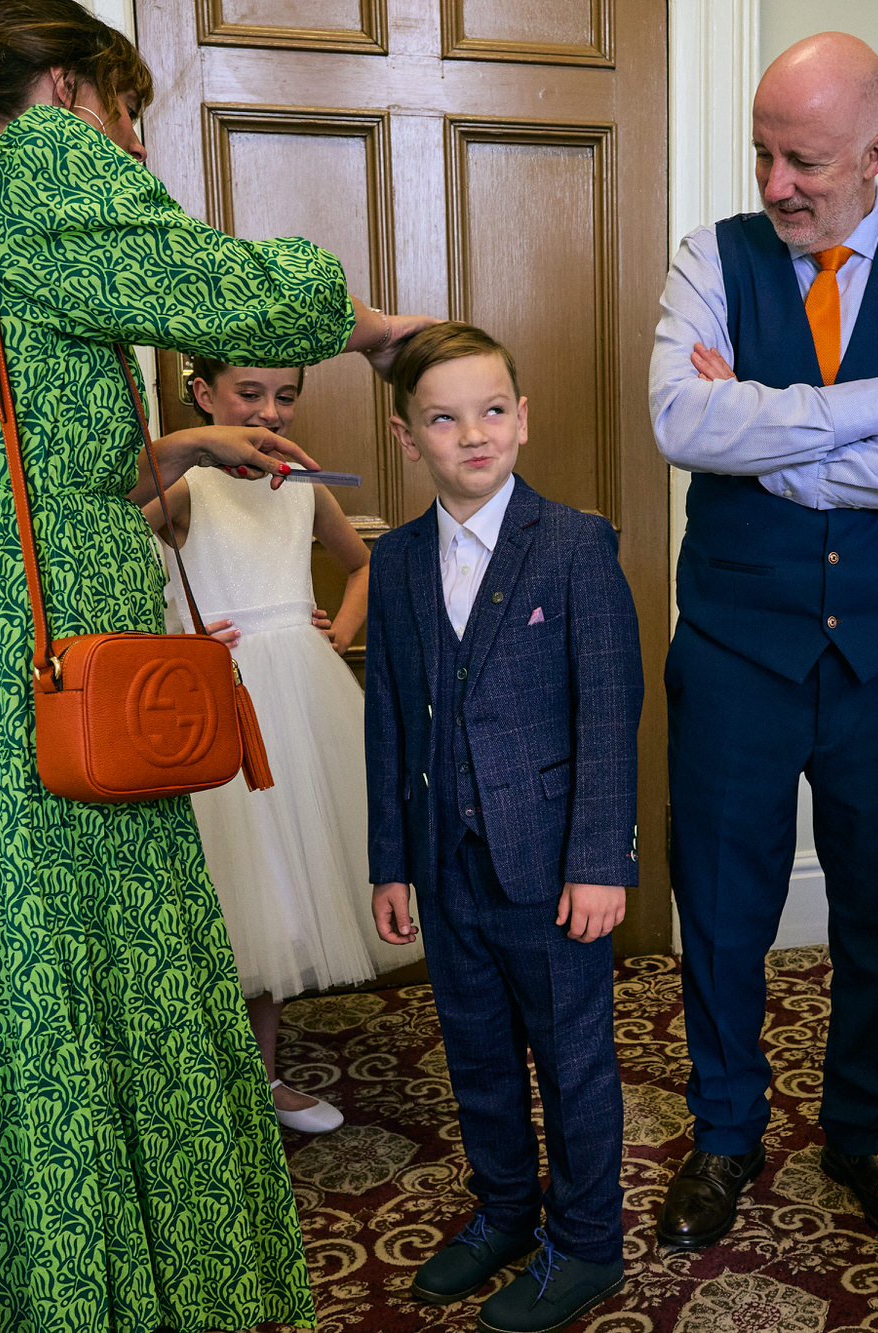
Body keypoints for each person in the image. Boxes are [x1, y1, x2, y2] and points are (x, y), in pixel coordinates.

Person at [0, 1, 435, 1325]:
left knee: (0, 949)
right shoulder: (43, 164)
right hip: (41, 619)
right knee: (99, 931)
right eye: (130, 112)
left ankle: (16, 1278)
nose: (135, 145)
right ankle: (120, 1284)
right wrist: (364, 320)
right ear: (76, 87)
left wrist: (168, 454)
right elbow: (235, 292)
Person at [647, 31, 878, 1252]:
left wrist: (780, 454)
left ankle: (862, 1132)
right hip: (736, 653)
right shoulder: (711, 258)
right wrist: (867, 412)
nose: (776, 184)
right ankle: (724, 1135)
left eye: (803, 159)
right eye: (763, 155)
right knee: (723, 906)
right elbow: (682, 418)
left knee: (874, 913)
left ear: (877, 153)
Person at [364, 323, 640, 1329]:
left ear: (521, 421)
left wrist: (600, 860)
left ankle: (588, 1241)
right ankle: (505, 1212)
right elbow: (388, 716)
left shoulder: (572, 545)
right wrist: (390, 860)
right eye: (443, 418)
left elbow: (609, 713)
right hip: (444, 866)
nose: (471, 434)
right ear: (408, 439)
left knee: (571, 1061)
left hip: (553, 869)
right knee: (475, 1049)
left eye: (490, 411)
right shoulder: (393, 564)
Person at [143, 358, 422, 1136]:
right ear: (204, 395)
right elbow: (103, 556)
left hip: (298, 699)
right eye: (249, 395)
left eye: (286, 396)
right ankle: (199, 1086)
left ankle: (261, 1081)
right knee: (227, 896)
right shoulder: (185, 488)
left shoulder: (300, 484)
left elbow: (367, 564)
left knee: (278, 897)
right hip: (215, 703)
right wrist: (177, 632)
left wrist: (341, 627)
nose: (270, 412)